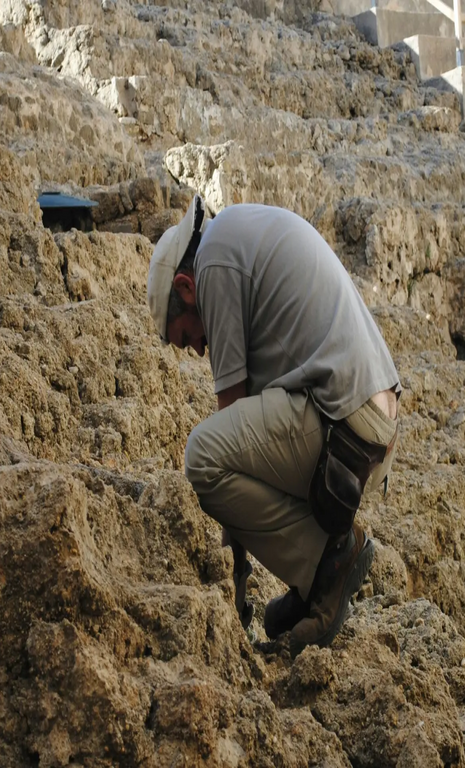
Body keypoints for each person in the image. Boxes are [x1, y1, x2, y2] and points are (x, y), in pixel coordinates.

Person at [147, 195, 400, 652]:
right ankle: (313, 587)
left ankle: (328, 562)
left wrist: (233, 596)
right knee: (230, 450)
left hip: (345, 426)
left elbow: (227, 429)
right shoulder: (238, 237)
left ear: (185, 288)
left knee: (201, 457)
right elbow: (248, 436)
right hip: (369, 430)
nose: (199, 351)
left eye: (186, 338)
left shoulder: (213, 266)